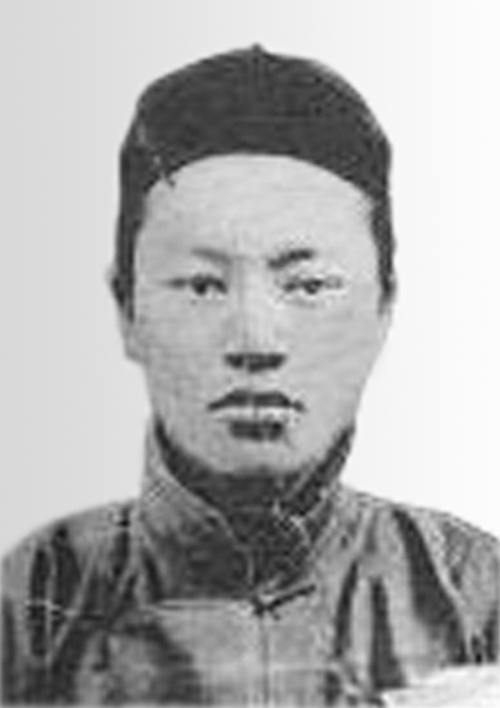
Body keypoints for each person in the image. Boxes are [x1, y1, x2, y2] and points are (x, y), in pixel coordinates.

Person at [2, 46, 498, 706]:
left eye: (308, 284)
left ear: (384, 307)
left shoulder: (472, 593)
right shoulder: (36, 602)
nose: (256, 341)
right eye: (202, 285)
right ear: (126, 309)